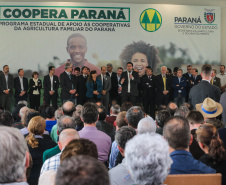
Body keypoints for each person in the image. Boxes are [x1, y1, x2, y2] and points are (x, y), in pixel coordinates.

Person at [26, 116, 57, 185]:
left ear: (29, 129)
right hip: (46, 179)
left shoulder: (23, 144)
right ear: (43, 130)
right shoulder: (52, 144)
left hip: (28, 178)